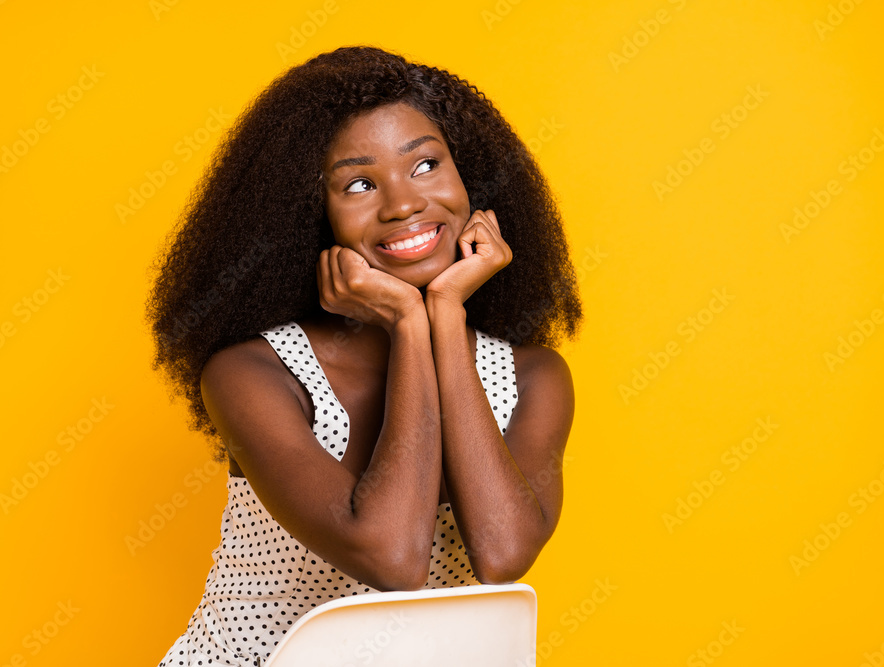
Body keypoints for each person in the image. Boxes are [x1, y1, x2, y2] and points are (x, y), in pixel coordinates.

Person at [147, 44, 582, 666]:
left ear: (472, 179)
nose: (403, 204)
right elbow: (393, 557)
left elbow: (502, 553)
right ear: (311, 216)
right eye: (358, 183)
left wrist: (446, 316)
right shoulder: (253, 372)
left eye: (426, 165)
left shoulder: (532, 375)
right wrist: (409, 321)